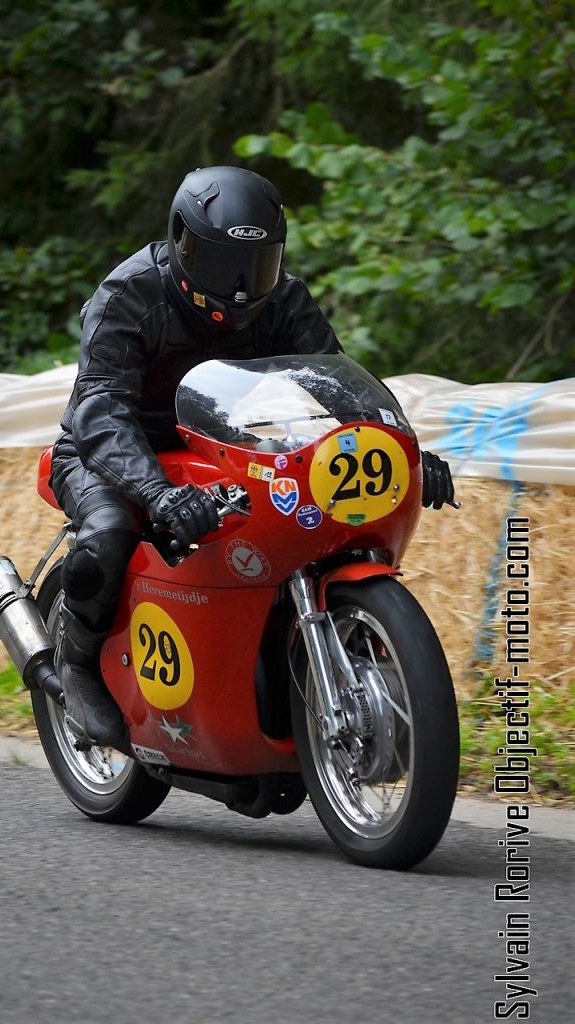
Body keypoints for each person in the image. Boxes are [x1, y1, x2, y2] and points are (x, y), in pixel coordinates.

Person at [50, 164, 454, 748]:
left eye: (258, 264)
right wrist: (159, 494)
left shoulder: (284, 297)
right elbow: (99, 409)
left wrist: (404, 455)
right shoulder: (128, 294)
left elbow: (337, 388)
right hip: (113, 448)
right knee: (111, 529)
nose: (241, 286)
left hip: (222, 448)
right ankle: (77, 663)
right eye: (223, 265)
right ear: (182, 242)